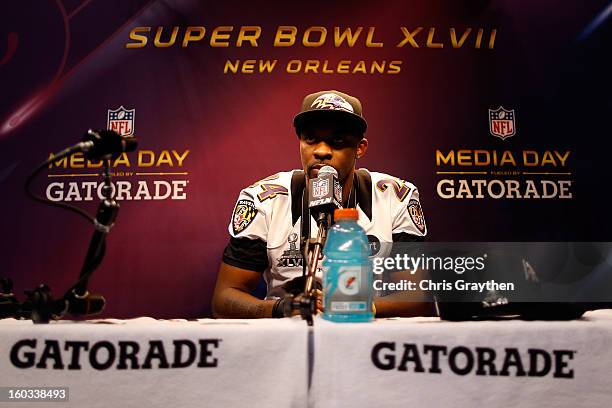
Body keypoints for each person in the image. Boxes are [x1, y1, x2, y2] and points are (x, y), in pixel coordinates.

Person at [212, 90, 434, 318]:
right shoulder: (263, 199)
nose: (321, 151)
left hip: (364, 331)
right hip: (287, 334)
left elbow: (419, 298)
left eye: (337, 141)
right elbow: (225, 296)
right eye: (310, 139)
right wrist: (283, 307)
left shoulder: (395, 197)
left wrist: (354, 306)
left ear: (360, 148)